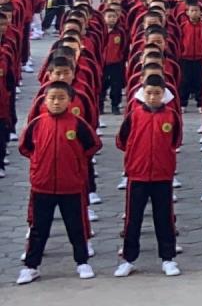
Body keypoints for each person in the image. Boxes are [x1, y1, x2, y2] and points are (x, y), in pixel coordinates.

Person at [16, 81, 101, 285]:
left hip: (71, 185)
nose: (56, 102)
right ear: (44, 100)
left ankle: (82, 262)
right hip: (42, 186)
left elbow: (92, 146)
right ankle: (31, 266)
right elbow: (25, 148)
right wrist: (39, 166)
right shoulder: (36, 124)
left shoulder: (78, 124)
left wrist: (75, 165)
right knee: (38, 228)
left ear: (70, 101)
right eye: (52, 98)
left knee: (76, 226)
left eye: (61, 98)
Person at [114, 74, 183, 277]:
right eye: (149, 93)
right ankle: (128, 259)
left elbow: (176, 141)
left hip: (162, 175)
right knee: (133, 219)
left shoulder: (171, 116)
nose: (153, 97)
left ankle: (168, 258)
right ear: (142, 93)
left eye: (157, 93)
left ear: (164, 94)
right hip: (138, 175)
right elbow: (121, 140)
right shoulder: (134, 115)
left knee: (164, 218)